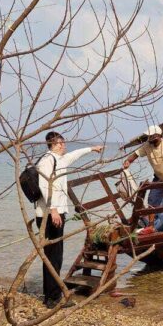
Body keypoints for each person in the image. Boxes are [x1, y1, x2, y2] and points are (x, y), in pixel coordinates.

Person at [36, 131, 103, 307]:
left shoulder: (60, 160)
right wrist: (53, 210)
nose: (64, 145)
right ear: (55, 144)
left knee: (55, 256)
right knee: (53, 257)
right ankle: (53, 299)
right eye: (62, 143)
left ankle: (51, 295)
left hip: (55, 213)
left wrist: (92, 149)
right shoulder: (47, 161)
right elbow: (44, 186)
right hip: (50, 214)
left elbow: (75, 154)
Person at [122, 125, 163, 230]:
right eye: (148, 136)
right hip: (158, 177)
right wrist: (128, 161)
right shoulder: (147, 146)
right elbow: (135, 154)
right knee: (152, 200)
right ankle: (151, 227)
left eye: (151, 136)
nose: (149, 138)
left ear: (157, 136)